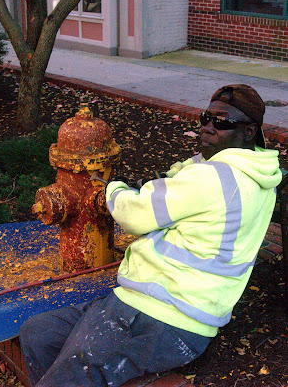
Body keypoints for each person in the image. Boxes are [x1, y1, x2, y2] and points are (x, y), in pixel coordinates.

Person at [19, 84, 282, 387]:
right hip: (166, 306)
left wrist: (111, 188)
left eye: (221, 122)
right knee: (39, 332)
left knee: (73, 372)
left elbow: (135, 213)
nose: (208, 127)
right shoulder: (257, 173)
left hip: (161, 316)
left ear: (249, 132)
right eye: (205, 118)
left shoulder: (214, 178)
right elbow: (190, 183)